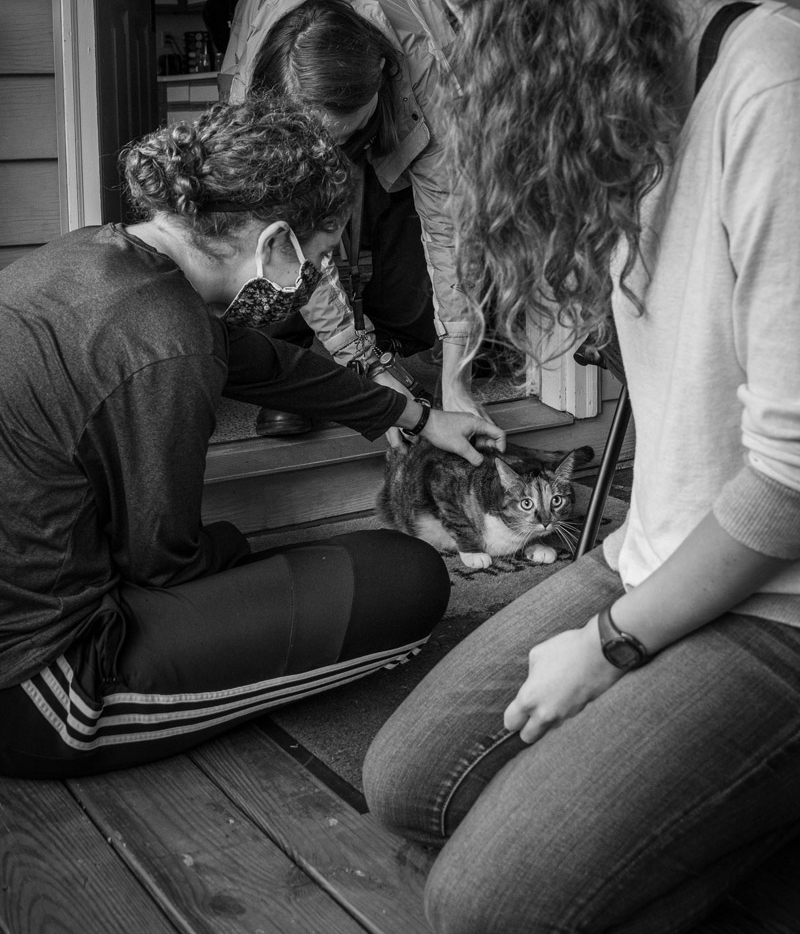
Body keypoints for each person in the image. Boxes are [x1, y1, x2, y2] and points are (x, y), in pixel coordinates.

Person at [361, 0, 800, 933]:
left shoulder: (771, 93)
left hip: (777, 607)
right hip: (654, 551)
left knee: (480, 905)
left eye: (482, 32)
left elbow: (790, 481)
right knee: (404, 783)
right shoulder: (630, 92)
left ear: (558, 4)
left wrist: (611, 646)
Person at [0, 98, 505, 779]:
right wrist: (234, 551)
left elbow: (259, 362)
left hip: (30, 612)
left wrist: (414, 416)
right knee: (408, 577)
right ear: (274, 244)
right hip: (47, 687)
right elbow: (165, 562)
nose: (318, 278)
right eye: (321, 258)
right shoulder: (170, 343)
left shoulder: (100, 253)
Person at [221, 0, 483, 428]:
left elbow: (447, 222)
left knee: (404, 209)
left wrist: (457, 375)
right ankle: (291, 367)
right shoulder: (251, 93)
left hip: (406, 28)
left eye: (338, 133)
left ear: (380, 76)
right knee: (273, 223)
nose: (329, 152)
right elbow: (290, 242)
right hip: (265, 3)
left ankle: (409, 353)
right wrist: (357, 360)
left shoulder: (423, 68)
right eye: (313, 135)